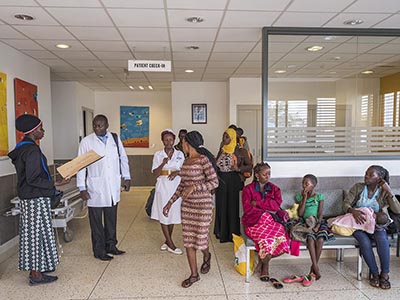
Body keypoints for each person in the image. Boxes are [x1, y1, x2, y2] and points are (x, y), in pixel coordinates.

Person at [8, 114, 64, 285]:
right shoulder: (31, 150)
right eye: (41, 128)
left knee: (37, 234)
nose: (43, 131)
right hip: (34, 198)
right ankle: (36, 275)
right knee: (35, 236)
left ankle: (41, 267)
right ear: (33, 131)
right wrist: (55, 183)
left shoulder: (24, 147)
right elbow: (33, 178)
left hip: (31, 197)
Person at [163, 131, 218, 288]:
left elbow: (214, 182)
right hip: (187, 206)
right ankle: (194, 275)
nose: (181, 145)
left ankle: (207, 256)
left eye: (183, 142)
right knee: (189, 241)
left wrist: (195, 187)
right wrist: (169, 203)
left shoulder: (203, 160)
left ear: (188, 143)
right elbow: (182, 185)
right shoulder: (186, 162)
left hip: (203, 206)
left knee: (199, 239)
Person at [77, 114, 131, 261]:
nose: (97, 128)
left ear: (107, 125)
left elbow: (123, 158)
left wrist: (127, 177)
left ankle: (111, 246)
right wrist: (81, 187)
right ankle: (99, 250)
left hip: (112, 186)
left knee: (111, 219)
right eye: (94, 125)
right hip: (95, 187)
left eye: (100, 125)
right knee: (96, 222)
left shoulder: (114, 138)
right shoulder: (87, 142)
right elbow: (81, 165)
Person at [343, 165, 400, 289]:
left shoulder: (384, 192)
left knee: (382, 239)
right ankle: (374, 274)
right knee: (364, 241)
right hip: (358, 224)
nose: (366, 176)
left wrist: (389, 191)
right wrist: (353, 211)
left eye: (370, 175)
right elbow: (346, 203)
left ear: (379, 178)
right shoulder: (358, 187)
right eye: (366, 173)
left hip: (375, 225)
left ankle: (384, 274)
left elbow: (397, 209)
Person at [241, 162, 289, 287]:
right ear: (257, 175)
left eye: (269, 174)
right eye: (265, 174)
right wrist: (266, 208)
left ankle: (262, 262)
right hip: (254, 222)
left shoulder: (274, 189)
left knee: (283, 241)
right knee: (266, 240)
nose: (268, 176)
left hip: (272, 222)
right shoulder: (248, 190)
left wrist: (257, 203)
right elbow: (248, 209)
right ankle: (265, 266)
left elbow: (276, 206)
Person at [295, 174, 335, 286]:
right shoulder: (299, 197)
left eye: (307, 184)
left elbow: (320, 213)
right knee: (310, 239)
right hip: (306, 223)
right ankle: (316, 268)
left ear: (314, 185)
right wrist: (304, 198)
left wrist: (317, 225)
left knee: (320, 239)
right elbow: (300, 214)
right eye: (303, 183)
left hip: (318, 222)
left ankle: (313, 268)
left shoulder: (319, 197)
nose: (304, 186)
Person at [214, 128, 252, 243]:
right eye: (223, 137)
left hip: (234, 181)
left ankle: (233, 233)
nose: (224, 139)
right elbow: (217, 164)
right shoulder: (222, 150)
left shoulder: (241, 151)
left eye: (226, 137)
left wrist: (238, 168)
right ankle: (221, 232)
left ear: (233, 138)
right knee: (221, 206)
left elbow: (250, 166)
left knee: (233, 207)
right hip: (221, 182)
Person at [151, 129, 185, 255]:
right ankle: (171, 244)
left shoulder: (180, 154)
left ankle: (166, 241)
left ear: (174, 140)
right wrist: (162, 163)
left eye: (171, 139)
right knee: (163, 213)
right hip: (163, 186)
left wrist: (177, 172)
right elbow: (155, 173)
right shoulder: (158, 155)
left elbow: (184, 169)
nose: (168, 142)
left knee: (172, 213)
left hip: (176, 185)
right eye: (166, 140)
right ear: (162, 141)